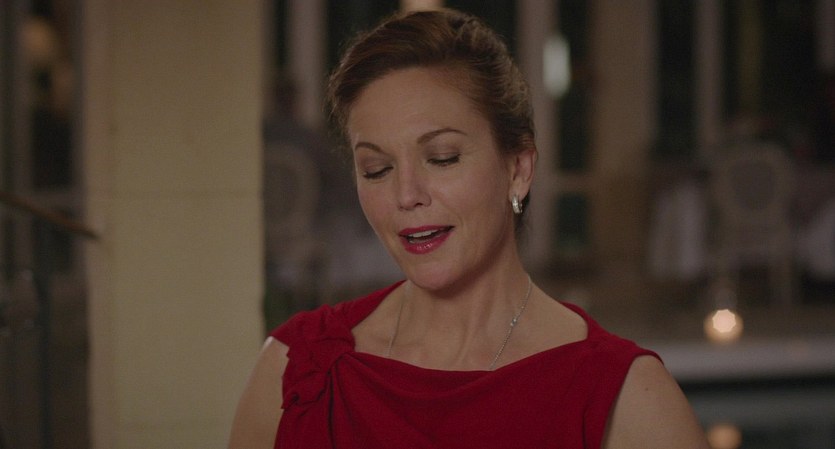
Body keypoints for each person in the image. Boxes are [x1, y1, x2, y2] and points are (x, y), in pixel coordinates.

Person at [229, 8, 710, 449]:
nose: (406, 195)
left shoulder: (629, 400)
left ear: (518, 169)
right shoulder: (295, 369)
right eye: (377, 169)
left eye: (442, 158)